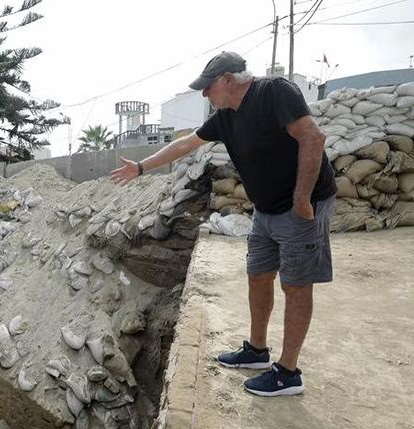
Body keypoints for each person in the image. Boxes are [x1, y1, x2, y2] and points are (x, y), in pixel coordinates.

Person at [110, 51, 336, 397]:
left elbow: (312, 137)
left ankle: (289, 373)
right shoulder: (225, 116)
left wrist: (302, 199)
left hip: (300, 206)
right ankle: (257, 352)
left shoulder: (275, 92)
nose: (204, 95)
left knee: (296, 284)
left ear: (229, 80)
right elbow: (186, 144)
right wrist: (141, 167)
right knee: (258, 275)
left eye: (207, 87)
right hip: (265, 209)